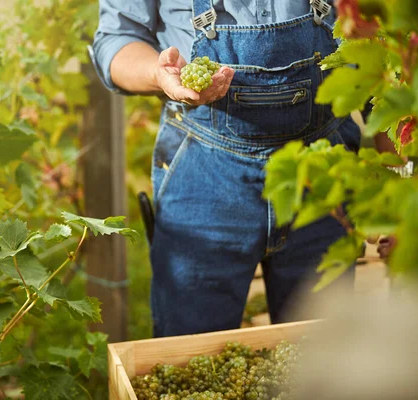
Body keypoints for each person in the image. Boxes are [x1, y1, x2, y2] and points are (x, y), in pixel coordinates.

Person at [90, 0, 370, 337]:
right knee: (192, 359)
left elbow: (380, 45)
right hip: (203, 179)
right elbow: (117, 39)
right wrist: (158, 74)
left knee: (322, 355)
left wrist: (401, 182)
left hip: (321, 177)